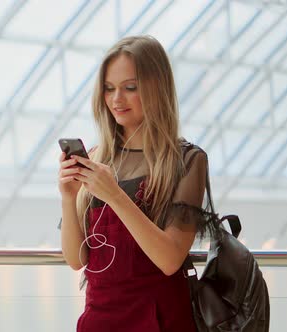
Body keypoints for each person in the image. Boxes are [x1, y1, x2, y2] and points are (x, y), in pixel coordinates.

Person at [58, 35, 217, 331]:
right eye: (109, 89)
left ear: (156, 87)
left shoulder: (187, 161)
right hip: (99, 319)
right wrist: (68, 198)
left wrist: (115, 196)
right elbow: (76, 259)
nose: (116, 99)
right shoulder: (98, 157)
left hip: (160, 320)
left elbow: (170, 259)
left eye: (130, 87)